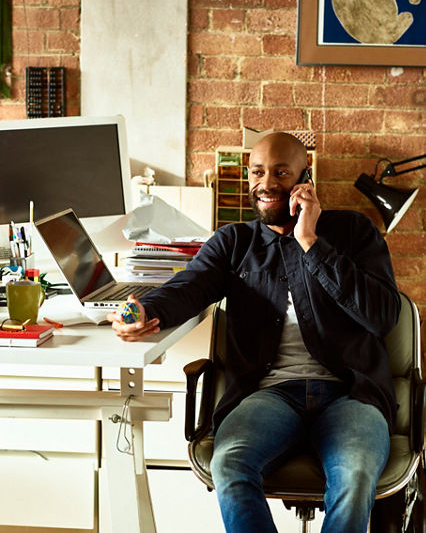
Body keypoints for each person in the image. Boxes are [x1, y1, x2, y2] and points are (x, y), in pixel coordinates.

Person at [108, 132, 401, 533]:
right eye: (258, 172)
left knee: (355, 473)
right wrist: (146, 308)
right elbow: (189, 288)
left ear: (305, 178)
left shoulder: (353, 232)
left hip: (350, 393)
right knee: (229, 462)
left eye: (281, 172)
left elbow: (383, 316)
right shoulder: (234, 242)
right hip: (268, 394)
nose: (267, 183)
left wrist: (312, 243)